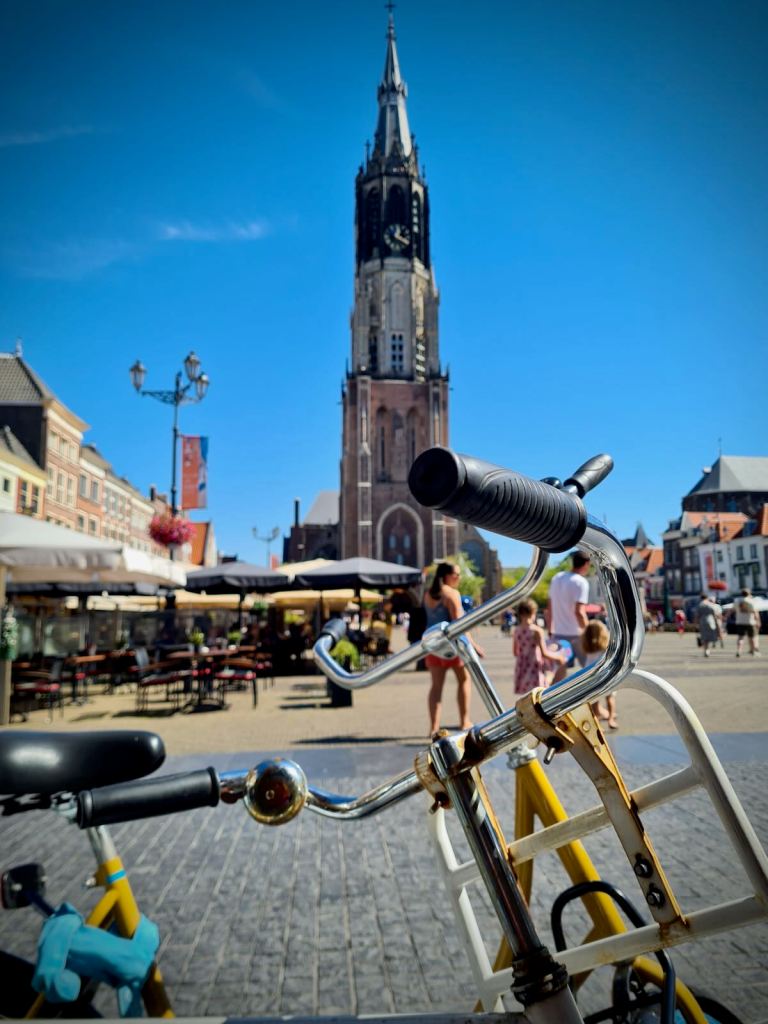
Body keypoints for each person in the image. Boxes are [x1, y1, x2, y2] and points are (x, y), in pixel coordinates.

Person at [423, 562, 484, 737]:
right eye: (456, 574)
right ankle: (464, 721)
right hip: (452, 647)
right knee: (464, 680)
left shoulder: (428, 593)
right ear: (446, 576)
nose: (459, 577)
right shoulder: (452, 594)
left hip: (433, 645)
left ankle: (434, 728)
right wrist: (473, 645)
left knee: (436, 687)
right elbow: (459, 624)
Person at [546, 549, 591, 683]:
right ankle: (594, 697)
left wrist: (550, 630)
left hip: (558, 634)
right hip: (577, 636)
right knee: (591, 670)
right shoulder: (581, 582)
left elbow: (549, 608)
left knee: (559, 673)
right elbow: (579, 612)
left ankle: (551, 696)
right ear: (586, 564)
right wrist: (589, 632)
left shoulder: (557, 578)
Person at [512, 598, 566, 695]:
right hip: (534, 665)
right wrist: (559, 657)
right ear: (533, 612)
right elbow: (544, 653)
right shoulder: (536, 631)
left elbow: (515, 652)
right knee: (539, 692)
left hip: (522, 666)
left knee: (527, 695)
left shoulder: (516, 630)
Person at [583, 620, 616, 728]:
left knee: (594, 700)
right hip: (605, 675)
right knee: (610, 698)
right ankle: (611, 719)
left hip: (592, 677)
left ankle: (596, 721)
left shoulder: (589, 648)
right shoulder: (605, 647)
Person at [734, 588, 761, 657]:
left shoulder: (737, 600)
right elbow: (755, 612)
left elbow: (733, 609)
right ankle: (753, 651)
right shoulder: (751, 601)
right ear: (749, 594)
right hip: (750, 621)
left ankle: (739, 651)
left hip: (740, 621)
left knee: (740, 637)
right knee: (752, 637)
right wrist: (758, 621)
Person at [695, 593, 720, 658]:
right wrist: (717, 623)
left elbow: (697, 616)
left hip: (702, 622)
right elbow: (715, 614)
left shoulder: (700, 605)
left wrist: (696, 624)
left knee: (704, 637)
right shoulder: (710, 604)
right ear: (707, 598)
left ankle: (706, 650)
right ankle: (708, 649)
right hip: (711, 621)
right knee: (709, 636)